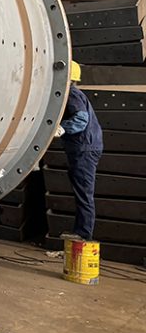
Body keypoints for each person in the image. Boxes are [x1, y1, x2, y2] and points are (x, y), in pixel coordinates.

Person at [56, 61, 103, 241]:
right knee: (81, 191)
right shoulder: (72, 93)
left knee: (84, 193)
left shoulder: (71, 94)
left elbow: (81, 119)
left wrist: (62, 128)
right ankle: (80, 231)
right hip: (83, 148)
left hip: (84, 149)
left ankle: (83, 234)